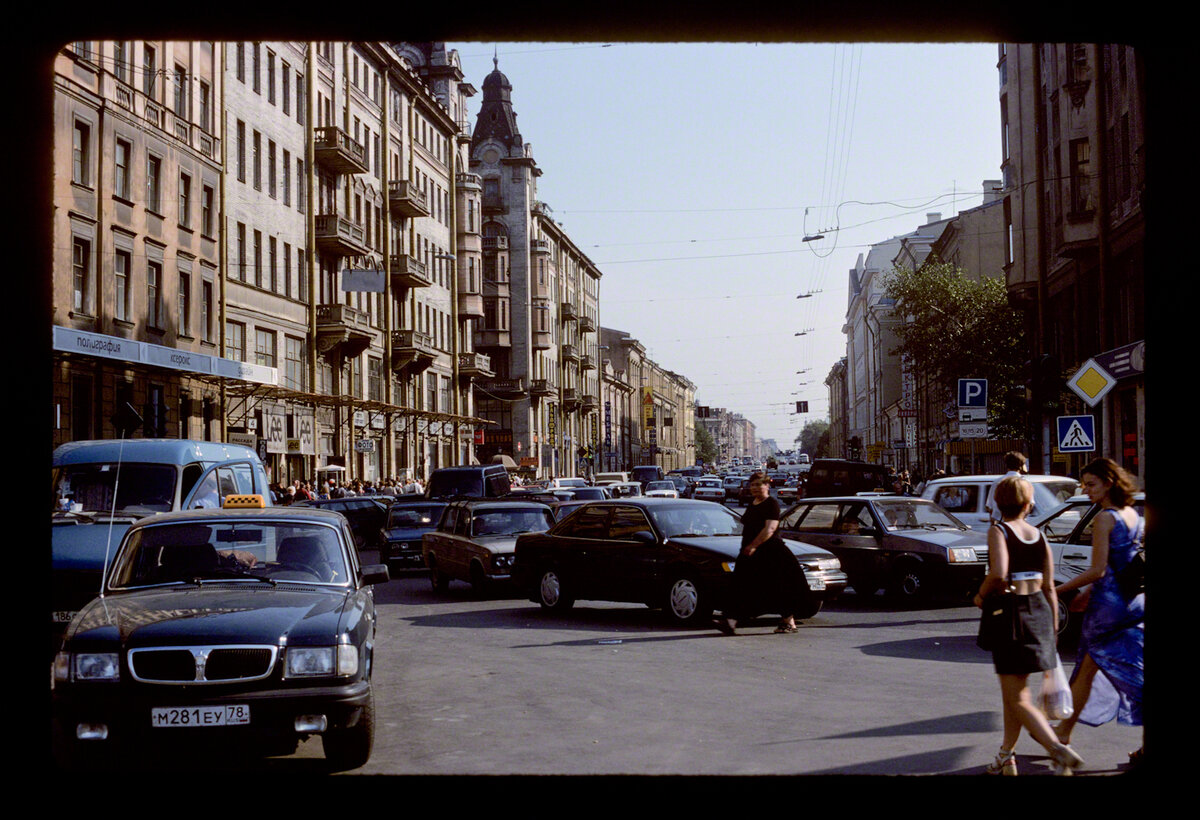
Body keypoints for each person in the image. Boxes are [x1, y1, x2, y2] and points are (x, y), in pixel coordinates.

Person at [974, 475, 1083, 775]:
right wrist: (1054, 626)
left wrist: (980, 595)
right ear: (1029, 503)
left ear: (998, 503)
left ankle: (1057, 750)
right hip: (1038, 612)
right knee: (1015, 692)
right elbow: (1049, 587)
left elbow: (998, 573)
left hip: (1011, 615)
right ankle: (1006, 755)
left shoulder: (999, 531)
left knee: (1017, 697)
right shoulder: (1039, 535)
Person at [1053, 458, 1144, 764]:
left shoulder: (1105, 518)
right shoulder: (1132, 514)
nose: (1086, 490)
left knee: (1120, 675)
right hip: (1131, 602)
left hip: (1107, 610)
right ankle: (1063, 731)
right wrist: (1088, 591)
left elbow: (1097, 569)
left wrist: (1059, 590)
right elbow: (1121, 565)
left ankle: (1063, 732)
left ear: (1109, 483)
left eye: (1091, 484)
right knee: (1090, 668)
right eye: (1084, 484)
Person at [716, 471, 808, 635]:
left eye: (759, 484)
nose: (756, 488)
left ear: (767, 485)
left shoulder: (771, 503)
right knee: (740, 585)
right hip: (750, 552)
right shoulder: (753, 503)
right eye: (753, 485)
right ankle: (730, 620)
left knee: (776, 587)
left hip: (770, 552)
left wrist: (753, 546)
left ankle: (788, 621)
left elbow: (770, 529)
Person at [985, 451, 1028, 524]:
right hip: (1020, 524)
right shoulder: (1025, 483)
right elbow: (1030, 504)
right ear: (1021, 466)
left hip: (1001, 523)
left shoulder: (997, 482)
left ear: (1006, 465)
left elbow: (990, 506)